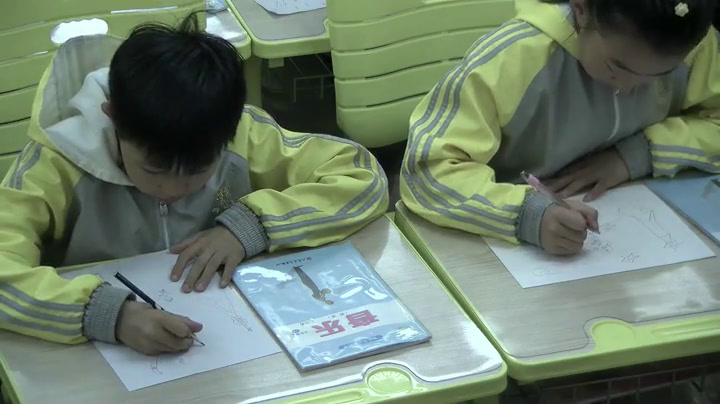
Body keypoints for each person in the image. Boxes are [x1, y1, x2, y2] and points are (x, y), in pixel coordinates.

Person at [0, 13, 388, 355]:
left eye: (199, 170)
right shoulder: (58, 161)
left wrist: (252, 226)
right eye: (154, 170)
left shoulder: (238, 133)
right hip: (95, 358)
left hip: (230, 341)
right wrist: (106, 314)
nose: (172, 189)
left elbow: (362, 178)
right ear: (113, 117)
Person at [401, 0, 719, 256]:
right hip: (498, 240)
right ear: (581, 9)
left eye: (661, 75)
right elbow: (427, 171)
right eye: (616, 67)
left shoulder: (691, 41)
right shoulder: (515, 58)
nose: (629, 87)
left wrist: (637, 155)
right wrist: (525, 214)